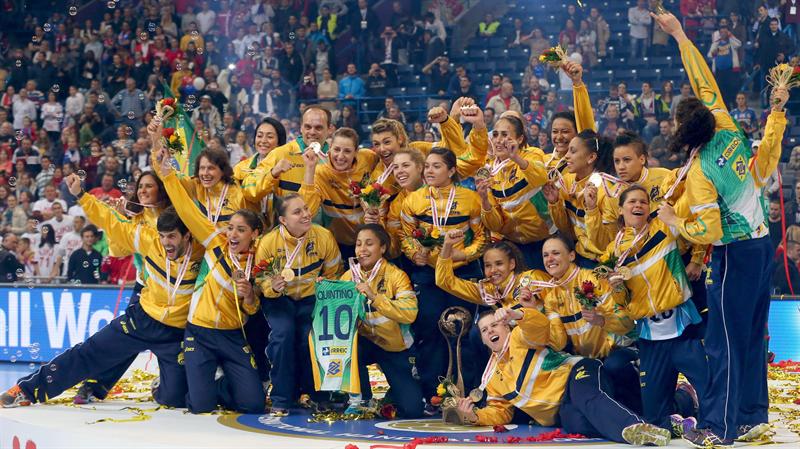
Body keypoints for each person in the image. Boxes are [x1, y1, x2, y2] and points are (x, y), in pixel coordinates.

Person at [652, 12, 789, 446]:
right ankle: (752, 414)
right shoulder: (726, 126)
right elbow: (705, 82)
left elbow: (708, 230)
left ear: (685, 134)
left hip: (735, 255)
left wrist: (675, 221)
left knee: (723, 342)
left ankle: (719, 427)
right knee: (750, 333)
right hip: (763, 243)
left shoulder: (700, 172)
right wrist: (679, 34)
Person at [1, 173, 202, 409]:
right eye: (163, 236)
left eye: (172, 237)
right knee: (88, 352)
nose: (167, 243)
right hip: (143, 318)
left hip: (176, 333)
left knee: (175, 399)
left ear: (188, 235)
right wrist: (80, 195)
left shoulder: (202, 248)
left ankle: (162, 387)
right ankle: (26, 390)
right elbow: (109, 220)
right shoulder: (148, 237)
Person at [452, 306, 670, 445]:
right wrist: (474, 417)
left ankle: (639, 430)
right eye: (484, 330)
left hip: (575, 373)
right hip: (560, 409)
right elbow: (501, 412)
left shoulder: (520, 336)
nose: (490, 331)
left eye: (495, 325)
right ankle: (673, 407)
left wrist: (518, 315)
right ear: (481, 340)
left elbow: (539, 327)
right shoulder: (491, 376)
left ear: (506, 328)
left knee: (588, 398)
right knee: (577, 423)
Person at [155, 147, 266, 414]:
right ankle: (193, 387)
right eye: (231, 228)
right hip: (200, 332)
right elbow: (185, 208)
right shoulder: (215, 244)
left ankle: (222, 384)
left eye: (241, 230)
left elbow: (252, 309)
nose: (233, 234)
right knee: (200, 407)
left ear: (255, 233)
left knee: (253, 404)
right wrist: (167, 174)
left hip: (232, 335)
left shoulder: (260, 262)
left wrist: (250, 294)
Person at [602, 185, 710, 435]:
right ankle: (683, 407)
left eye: (643, 202)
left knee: (709, 387)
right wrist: (617, 288)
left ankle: (713, 423)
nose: (638, 206)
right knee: (653, 415)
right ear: (621, 210)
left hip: (682, 327)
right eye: (632, 202)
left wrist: (697, 258)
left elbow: (695, 223)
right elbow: (621, 301)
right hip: (651, 336)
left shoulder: (664, 228)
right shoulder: (614, 251)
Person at [400, 147, 488, 412]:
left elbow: (483, 239)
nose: (429, 171)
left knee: (465, 333)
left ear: (451, 171)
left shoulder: (470, 199)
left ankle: (469, 395)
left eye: (436, 166)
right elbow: (406, 237)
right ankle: (433, 396)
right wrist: (415, 254)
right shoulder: (412, 201)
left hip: (462, 273)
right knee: (430, 332)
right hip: (429, 276)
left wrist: (461, 255)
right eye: (427, 166)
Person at [255, 194, 342, 416]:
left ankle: (317, 395)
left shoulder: (323, 236)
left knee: (311, 338)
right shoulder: (268, 243)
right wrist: (272, 287)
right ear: (283, 220)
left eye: (305, 209)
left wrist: (327, 286)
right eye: (297, 212)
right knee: (283, 335)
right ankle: (282, 397)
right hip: (280, 300)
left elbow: (334, 272)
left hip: (312, 299)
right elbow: (260, 280)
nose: (306, 214)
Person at [339, 224, 423, 418]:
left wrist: (375, 297)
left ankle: (391, 396)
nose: (362, 249)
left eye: (369, 244)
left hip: (394, 347)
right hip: (364, 343)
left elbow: (410, 313)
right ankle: (361, 398)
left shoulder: (397, 276)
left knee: (412, 409)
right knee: (348, 344)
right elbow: (338, 319)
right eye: (358, 244)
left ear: (383, 248)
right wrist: (326, 292)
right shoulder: (348, 277)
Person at [476, 115, 553, 270]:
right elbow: (496, 225)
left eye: (505, 135)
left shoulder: (532, 154)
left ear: (519, 139)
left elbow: (540, 177)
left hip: (545, 240)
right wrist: (484, 200)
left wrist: (515, 157)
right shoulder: (489, 170)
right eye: (496, 134)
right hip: (514, 246)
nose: (498, 140)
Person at [301, 127, 379, 260]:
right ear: (330, 148)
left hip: (368, 241)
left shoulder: (368, 158)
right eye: (336, 149)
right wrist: (309, 168)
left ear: (356, 152)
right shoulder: (321, 173)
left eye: (347, 151)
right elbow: (307, 210)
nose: (340, 156)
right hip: (338, 243)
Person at [543, 130, 614, 266]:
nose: (566, 156)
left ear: (591, 158)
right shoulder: (568, 182)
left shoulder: (606, 191)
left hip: (603, 260)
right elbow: (565, 230)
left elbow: (604, 244)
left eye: (573, 151)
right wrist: (555, 203)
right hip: (579, 255)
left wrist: (592, 209)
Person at [242, 107, 333, 202]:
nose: (312, 132)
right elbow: (248, 190)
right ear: (301, 127)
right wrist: (272, 174)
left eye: (318, 128)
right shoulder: (281, 154)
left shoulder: (336, 158)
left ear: (329, 129)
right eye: (307, 127)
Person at [233, 118, 287, 225]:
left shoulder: (287, 168)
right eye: (259, 136)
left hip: (280, 229)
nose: (263, 141)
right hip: (249, 229)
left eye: (270, 137)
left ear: (279, 142)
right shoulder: (240, 168)